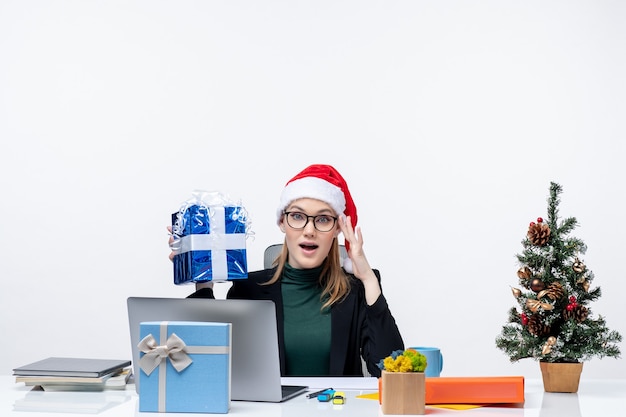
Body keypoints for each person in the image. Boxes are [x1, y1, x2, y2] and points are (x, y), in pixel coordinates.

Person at [169, 164, 404, 377]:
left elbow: (391, 371)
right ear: (282, 222)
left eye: (323, 219)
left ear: (336, 230)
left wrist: (369, 279)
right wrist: (202, 280)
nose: (309, 230)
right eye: (298, 216)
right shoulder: (248, 289)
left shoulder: (355, 290)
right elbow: (209, 369)